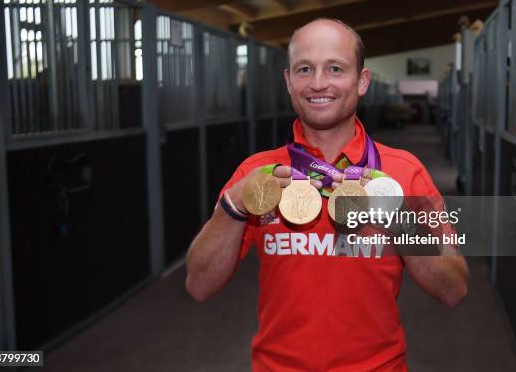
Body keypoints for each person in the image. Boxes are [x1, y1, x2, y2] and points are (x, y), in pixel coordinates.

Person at [185, 18, 468, 371]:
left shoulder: (403, 172)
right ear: (289, 82)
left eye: (335, 68)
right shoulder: (256, 175)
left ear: (362, 81)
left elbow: (454, 289)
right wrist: (233, 207)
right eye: (305, 69)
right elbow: (198, 284)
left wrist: (396, 217)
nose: (318, 83)